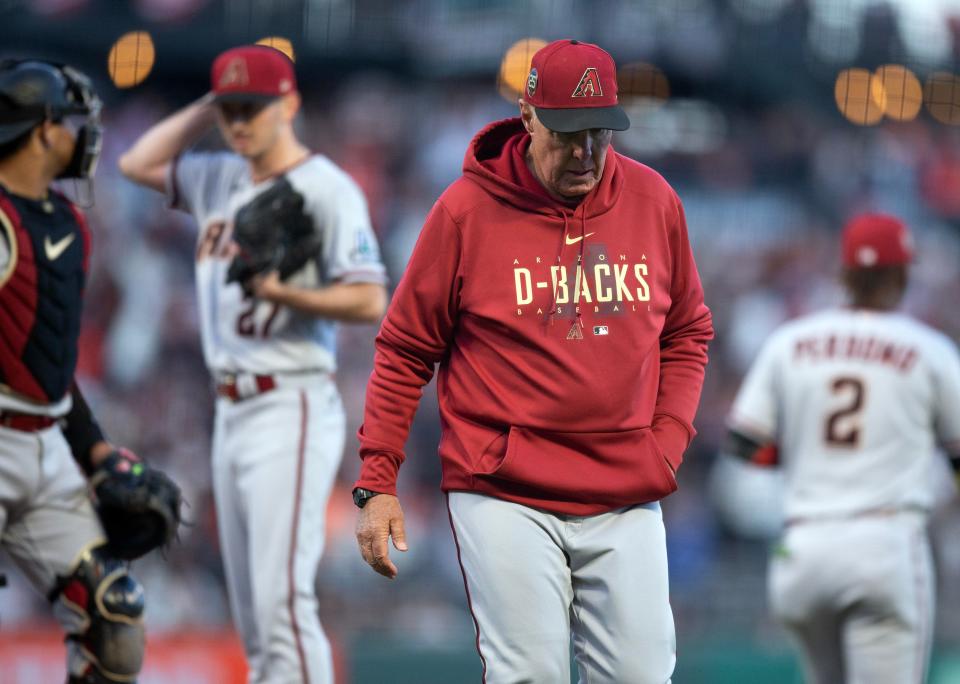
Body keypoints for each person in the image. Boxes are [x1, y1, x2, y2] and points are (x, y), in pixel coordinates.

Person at [353, 39, 713, 683]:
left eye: (600, 132)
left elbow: (687, 331)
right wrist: (378, 481)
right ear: (527, 116)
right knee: (532, 674)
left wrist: (667, 441)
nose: (586, 153)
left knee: (643, 673)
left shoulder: (654, 201)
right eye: (568, 133)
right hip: (504, 488)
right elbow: (405, 350)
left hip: (624, 485)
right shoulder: (465, 212)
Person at [118, 45, 387, 683]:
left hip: (289, 399)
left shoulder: (326, 188)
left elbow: (370, 296)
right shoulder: (219, 175)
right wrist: (210, 104)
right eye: (231, 109)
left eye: (253, 107)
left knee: (282, 604)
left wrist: (287, 293)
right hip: (230, 409)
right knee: (254, 616)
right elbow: (135, 161)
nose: (240, 122)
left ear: (289, 104)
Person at [726, 213, 960, 684]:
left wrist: (812, 456)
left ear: (844, 273)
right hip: (885, 543)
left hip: (804, 547)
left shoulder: (791, 341)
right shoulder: (928, 349)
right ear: (902, 275)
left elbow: (743, 442)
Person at [0, 58, 157, 683]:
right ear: (43, 129)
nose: (82, 135)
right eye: (70, 122)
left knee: (114, 617)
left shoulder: (66, 222)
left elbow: (52, 368)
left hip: (44, 447)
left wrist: (95, 450)